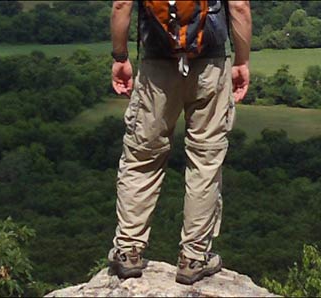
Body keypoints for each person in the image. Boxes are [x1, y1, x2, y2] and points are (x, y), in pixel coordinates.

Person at [108, 0, 252, 285]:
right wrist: (242, 60)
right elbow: (239, 6)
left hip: (156, 65)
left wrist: (120, 56)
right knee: (205, 161)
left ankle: (129, 250)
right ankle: (194, 257)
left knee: (142, 158)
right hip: (210, 64)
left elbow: (121, 4)